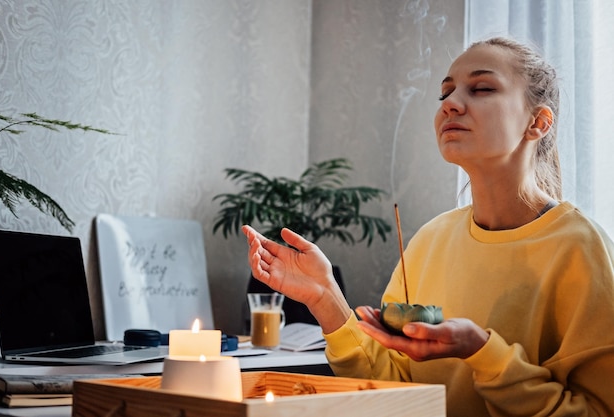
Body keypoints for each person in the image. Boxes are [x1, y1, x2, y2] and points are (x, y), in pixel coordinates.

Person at [241, 37, 614, 416]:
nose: (451, 103)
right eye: (445, 93)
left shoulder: (582, 250)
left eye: (482, 88)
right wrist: (325, 297)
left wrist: (482, 351)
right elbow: (392, 389)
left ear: (537, 122)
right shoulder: (430, 241)